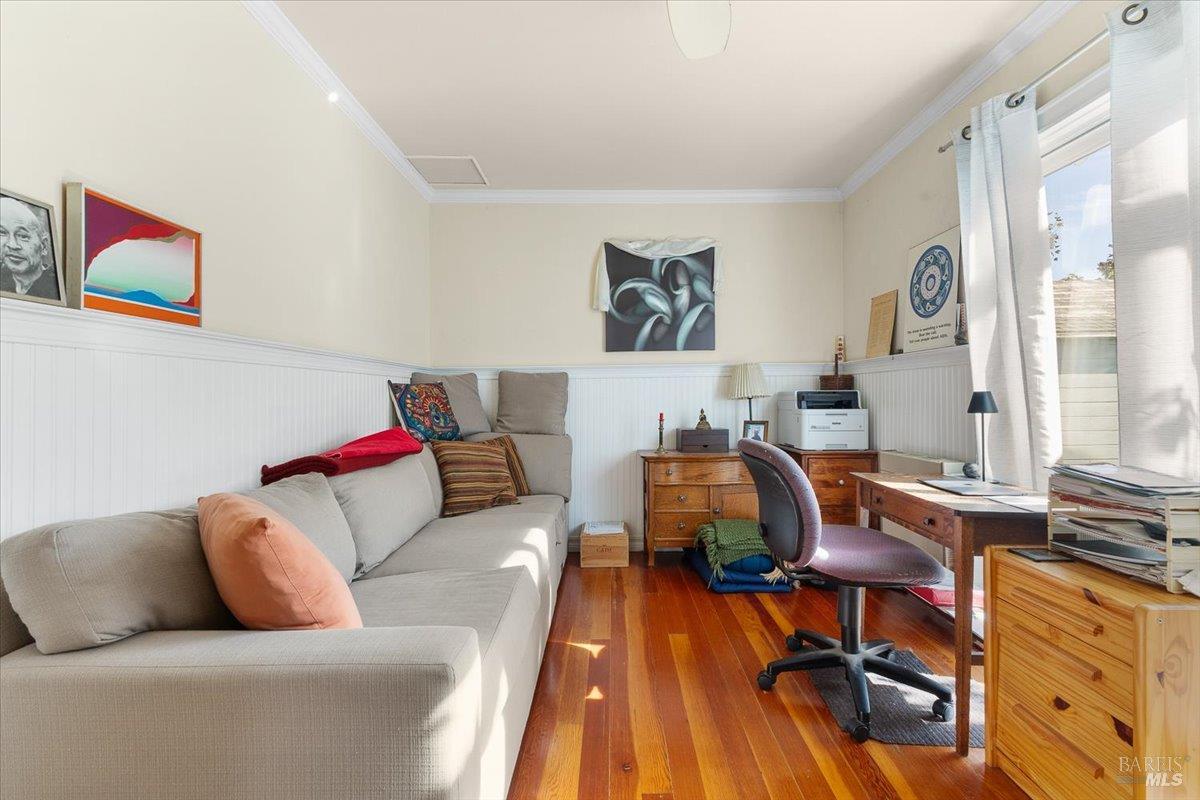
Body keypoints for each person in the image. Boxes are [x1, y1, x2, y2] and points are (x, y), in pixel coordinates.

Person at [1, 196, 59, 300]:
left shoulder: (54, 287)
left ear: (44, 245)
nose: (12, 245)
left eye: (23, 236)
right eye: (2, 233)